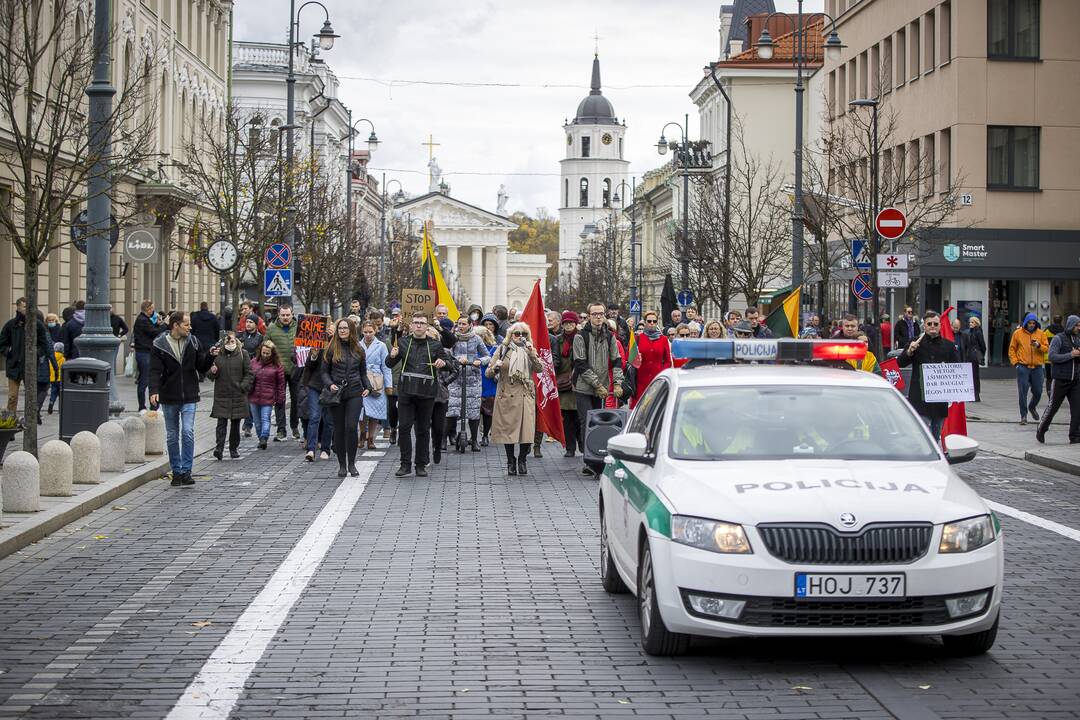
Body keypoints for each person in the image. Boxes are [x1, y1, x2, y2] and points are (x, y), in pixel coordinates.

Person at [149, 311, 217, 486]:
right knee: (172, 435)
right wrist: (154, 390)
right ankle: (176, 471)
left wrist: (211, 355)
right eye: (186, 324)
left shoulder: (193, 341)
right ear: (175, 325)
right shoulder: (159, 344)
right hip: (168, 395)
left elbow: (201, 366)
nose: (190, 327)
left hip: (189, 394)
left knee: (187, 432)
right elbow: (154, 370)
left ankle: (187, 471)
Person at [387, 312, 450, 478]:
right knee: (405, 428)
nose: (419, 325)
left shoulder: (435, 345)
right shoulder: (403, 342)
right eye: (416, 322)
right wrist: (391, 356)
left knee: (422, 430)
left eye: (422, 323)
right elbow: (389, 363)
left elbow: (449, 365)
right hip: (406, 391)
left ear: (427, 326)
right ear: (412, 325)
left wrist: (442, 363)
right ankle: (405, 464)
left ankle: (420, 464)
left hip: (426, 392)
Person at [573, 302, 625, 476]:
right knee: (586, 422)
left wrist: (617, 382)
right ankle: (588, 459)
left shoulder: (610, 336)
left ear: (604, 316)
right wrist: (597, 384)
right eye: (594, 314)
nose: (598, 317)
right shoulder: (581, 336)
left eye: (600, 314)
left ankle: (596, 455)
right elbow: (580, 363)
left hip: (602, 386)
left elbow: (617, 360)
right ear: (589, 316)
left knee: (599, 423)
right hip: (583, 386)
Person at [487, 321, 543, 475]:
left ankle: (522, 459)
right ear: (510, 335)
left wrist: (532, 354)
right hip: (507, 393)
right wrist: (495, 367)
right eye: (517, 334)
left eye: (523, 334)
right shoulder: (503, 349)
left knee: (526, 430)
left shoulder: (530, 349)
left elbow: (539, 369)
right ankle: (510, 460)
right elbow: (488, 373)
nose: (520, 336)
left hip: (525, 393)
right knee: (508, 430)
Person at [320, 318, 372, 477]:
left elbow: (363, 372)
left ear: (351, 330)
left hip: (355, 392)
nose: (342, 330)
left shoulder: (359, 349)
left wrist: (368, 387)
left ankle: (352, 463)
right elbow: (324, 372)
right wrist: (330, 384)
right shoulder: (331, 348)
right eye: (340, 328)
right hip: (337, 393)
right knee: (339, 429)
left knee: (351, 427)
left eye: (345, 328)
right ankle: (342, 465)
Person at [897, 310, 959, 439]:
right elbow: (900, 363)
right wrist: (909, 352)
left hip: (939, 400)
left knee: (936, 437)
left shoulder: (948, 346)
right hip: (919, 398)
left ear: (940, 326)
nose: (932, 326)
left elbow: (957, 369)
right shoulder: (915, 342)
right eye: (929, 323)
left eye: (935, 324)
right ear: (924, 326)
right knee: (922, 435)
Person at [446, 315, 489, 452]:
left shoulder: (476, 339)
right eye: (459, 323)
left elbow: (487, 356)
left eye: (464, 324)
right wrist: (457, 359)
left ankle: (475, 440)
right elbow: (446, 354)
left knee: (473, 410)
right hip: (455, 379)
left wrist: (479, 361)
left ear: (470, 325)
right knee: (452, 409)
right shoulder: (452, 338)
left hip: (473, 380)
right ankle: (444, 439)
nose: (461, 326)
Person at [0, 298, 51, 414]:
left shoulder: (37, 325)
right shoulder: (10, 325)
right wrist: (8, 352)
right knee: (12, 396)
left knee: (31, 394)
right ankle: (11, 417)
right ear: (17, 307)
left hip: (30, 366)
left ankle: (30, 417)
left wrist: (36, 354)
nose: (25, 309)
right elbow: (2, 343)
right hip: (14, 365)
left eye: (27, 307)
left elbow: (44, 345)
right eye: (23, 306)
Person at [208, 332, 253, 460]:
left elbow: (249, 373)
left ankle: (233, 448)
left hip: (238, 394)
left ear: (236, 341)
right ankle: (219, 448)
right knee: (221, 423)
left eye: (232, 340)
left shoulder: (243, 354)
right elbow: (209, 374)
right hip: (222, 394)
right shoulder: (218, 355)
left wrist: (242, 387)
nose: (230, 343)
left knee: (235, 424)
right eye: (227, 341)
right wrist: (212, 371)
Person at [1037, 315, 1080, 445]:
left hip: (1076, 380)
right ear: (1070, 325)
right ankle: (1041, 429)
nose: (1079, 328)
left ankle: (1075, 436)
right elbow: (1052, 356)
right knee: (1053, 407)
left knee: (1077, 409)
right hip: (1060, 379)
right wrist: (1070, 355)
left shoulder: (1078, 339)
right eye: (1077, 325)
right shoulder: (1058, 338)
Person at [300, 324, 335, 461]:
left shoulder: (339, 344)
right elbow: (309, 366)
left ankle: (326, 448)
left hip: (331, 386)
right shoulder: (319, 343)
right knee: (314, 417)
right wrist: (314, 355)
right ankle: (311, 449)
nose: (329, 330)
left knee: (328, 419)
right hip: (316, 385)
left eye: (332, 328)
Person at [264, 305, 300, 441]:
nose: (285, 317)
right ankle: (281, 429)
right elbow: (265, 347)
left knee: (296, 400)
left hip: (296, 369)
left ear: (292, 314)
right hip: (278, 370)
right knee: (279, 400)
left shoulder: (299, 327)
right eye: (283, 315)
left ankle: (295, 427)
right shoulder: (271, 328)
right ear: (278, 315)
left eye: (288, 315)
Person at [1008, 312, 1049, 425]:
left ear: (1036, 323)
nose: (1031, 325)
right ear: (1026, 322)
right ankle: (1023, 416)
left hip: (1037, 368)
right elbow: (1012, 349)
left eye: (1033, 323)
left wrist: (1039, 346)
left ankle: (1032, 407)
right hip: (1023, 367)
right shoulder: (1017, 333)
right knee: (1022, 392)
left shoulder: (1041, 334)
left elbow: (1046, 348)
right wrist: (1016, 363)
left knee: (1038, 391)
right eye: (1030, 323)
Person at [360, 320, 393, 451]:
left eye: (370, 332)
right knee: (361, 411)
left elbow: (386, 366)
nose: (368, 334)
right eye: (365, 332)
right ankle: (362, 434)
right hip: (361, 380)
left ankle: (371, 438)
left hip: (376, 381)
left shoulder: (381, 346)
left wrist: (388, 385)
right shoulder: (357, 345)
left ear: (375, 331)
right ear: (362, 331)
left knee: (374, 412)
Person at [248, 341, 285, 450]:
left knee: (265, 418)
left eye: (267, 353)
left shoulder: (277, 366)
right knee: (257, 421)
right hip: (254, 396)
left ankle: (264, 437)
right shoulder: (253, 362)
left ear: (272, 354)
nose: (265, 355)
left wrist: (280, 399)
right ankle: (261, 439)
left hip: (268, 397)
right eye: (263, 352)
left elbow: (281, 385)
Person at [633, 311, 673, 408]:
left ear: (657, 322)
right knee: (640, 409)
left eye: (654, 321)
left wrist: (662, 372)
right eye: (649, 321)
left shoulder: (663, 339)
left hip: (657, 380)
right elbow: (631, 359)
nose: (651, 323)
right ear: (645, 322)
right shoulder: (638, 338)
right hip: (641, 381)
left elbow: (668, 361)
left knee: (656, 408)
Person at [555, 311, 580, 457]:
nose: (568, 325)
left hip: (578, 382)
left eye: (571, 322)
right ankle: (570, 448)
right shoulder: (558, 340)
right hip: (563, 383)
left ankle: (582, 444)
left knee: (579, 417)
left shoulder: (581, 337)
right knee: (566, 419)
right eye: (566, 323)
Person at [476, 324, 500, 447]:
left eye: (479, 336)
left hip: (489, 384)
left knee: (487, 412)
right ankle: (474, 436)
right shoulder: (473, 349)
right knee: (474, 412)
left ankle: (485, 435)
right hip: (474, 383)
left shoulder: (494, 349)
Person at [965, 316, 987, 402]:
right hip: (970, 356)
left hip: (974, 357)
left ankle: (976, 395)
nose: (970, 324)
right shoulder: (970, 332)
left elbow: (983, 346)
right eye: (970, 322)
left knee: (974, 376)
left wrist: (980, 355)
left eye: (972, 322)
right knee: (971, 376)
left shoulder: (978, 332)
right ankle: (972, 394)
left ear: (976, 323)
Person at [48, 341, 64, 414]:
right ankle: (60, 409)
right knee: (61, 394)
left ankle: (51, 402)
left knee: (53, 393)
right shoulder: (63, 359)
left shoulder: (51, 358)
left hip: (52, 379)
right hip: (60, 379)